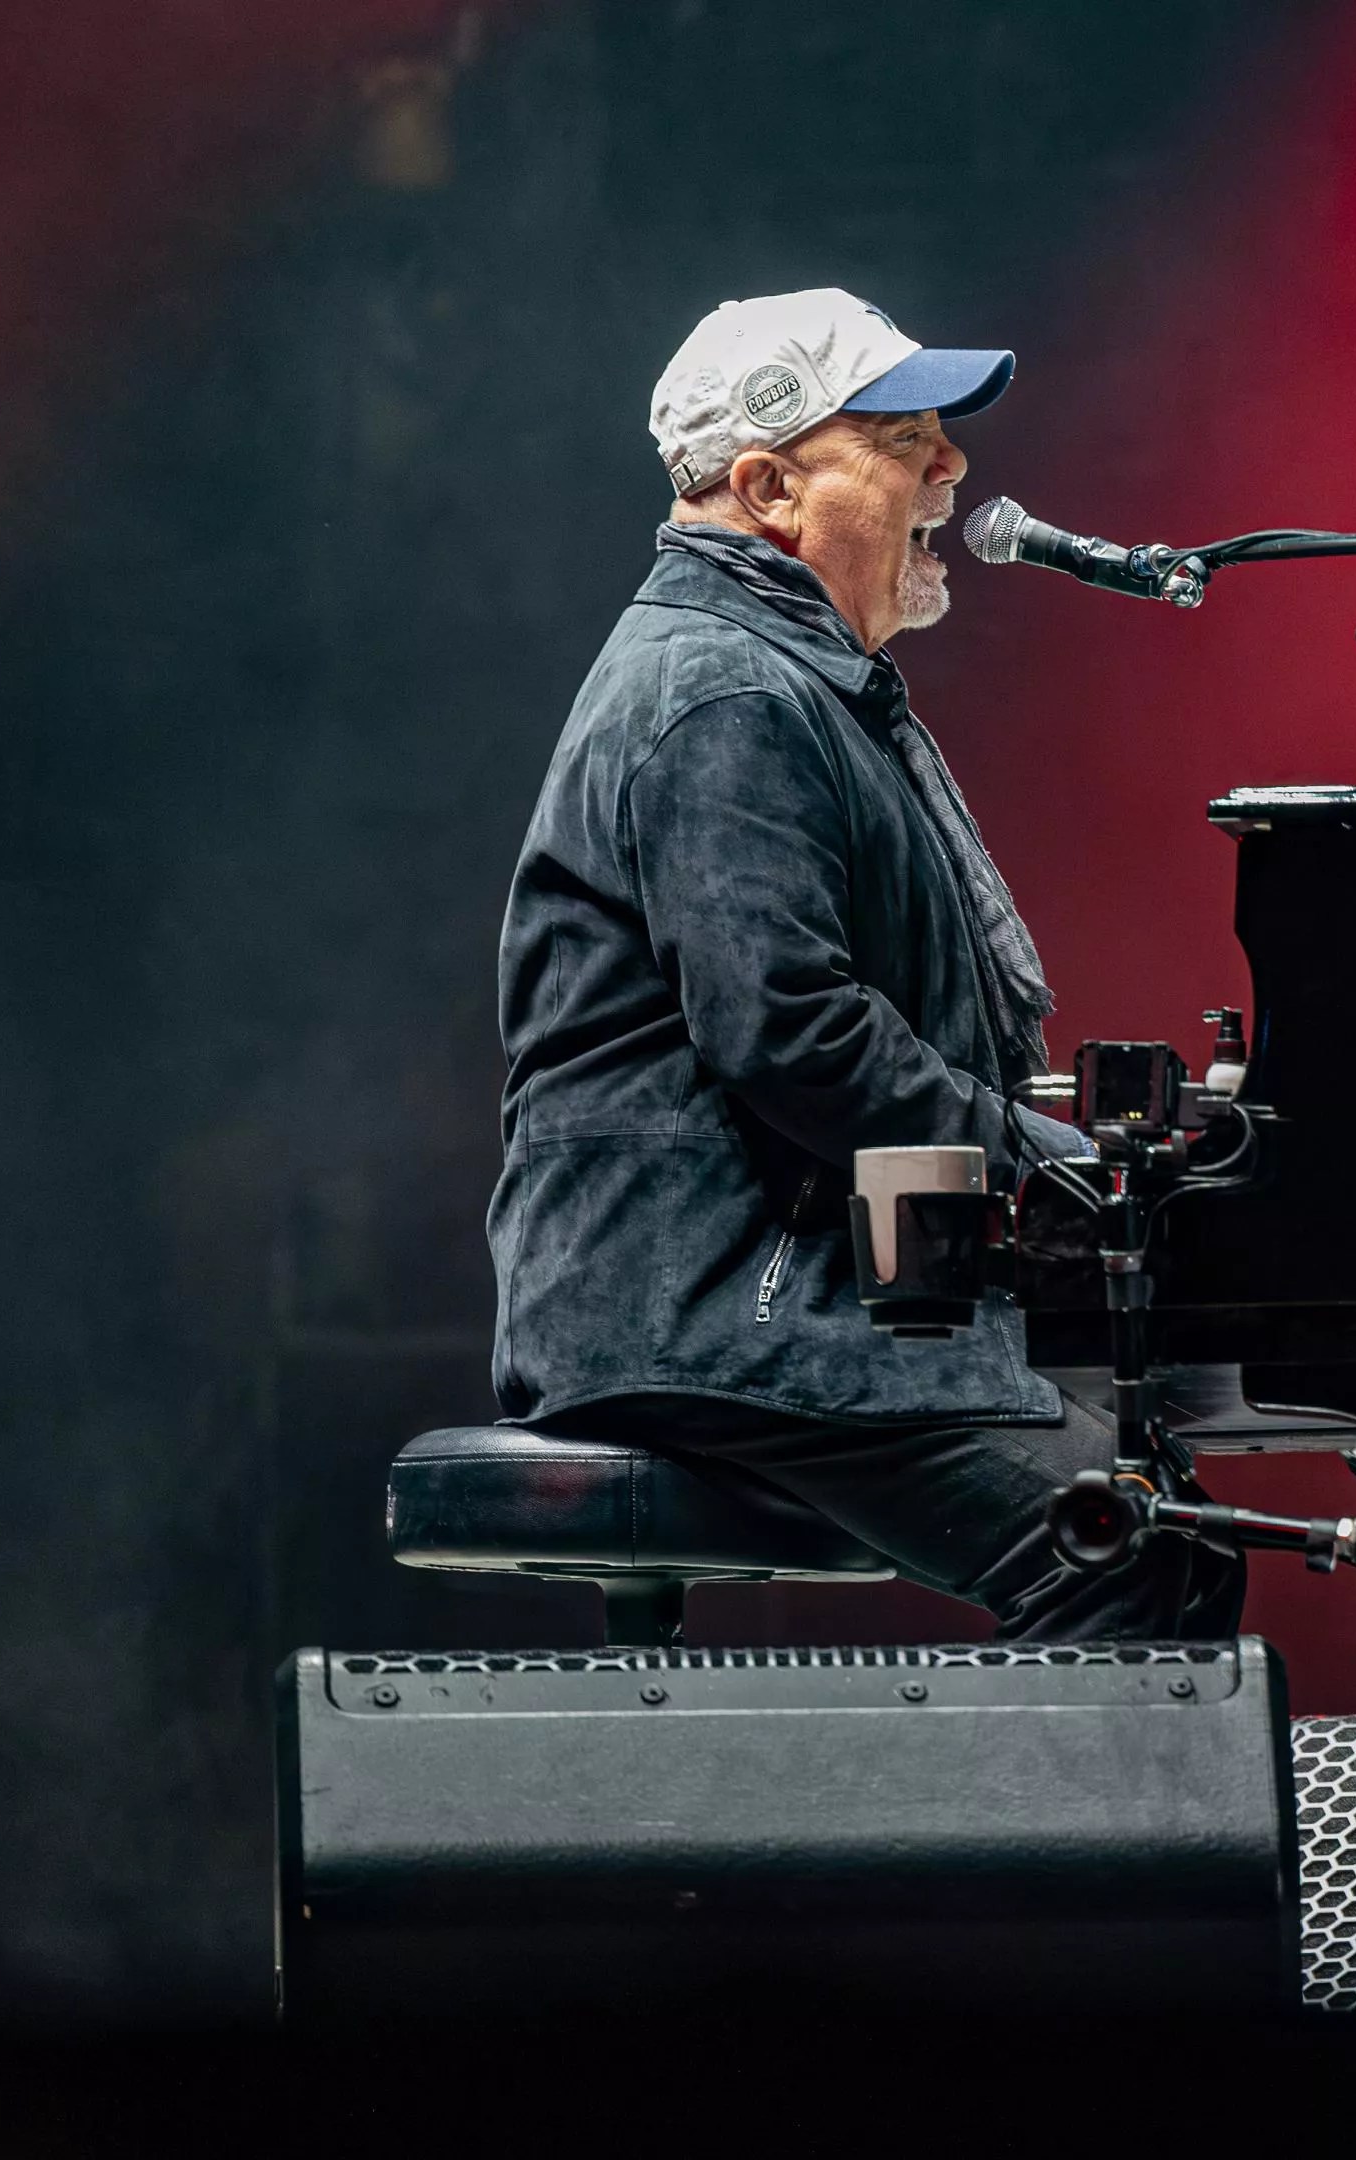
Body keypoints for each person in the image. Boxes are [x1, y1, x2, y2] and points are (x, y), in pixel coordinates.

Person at [488, 287, 1239, 1642]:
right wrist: (1040, 1155)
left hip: (765, 1294)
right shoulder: (725, 691)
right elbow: (795, 1035)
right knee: (1129, 1547)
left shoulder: (773, 675)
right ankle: (998, 1863)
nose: (952, 467)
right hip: (710, 1313)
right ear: (770, 486)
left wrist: (1078, 1144)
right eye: (901, 441)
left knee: (1163, 1483)